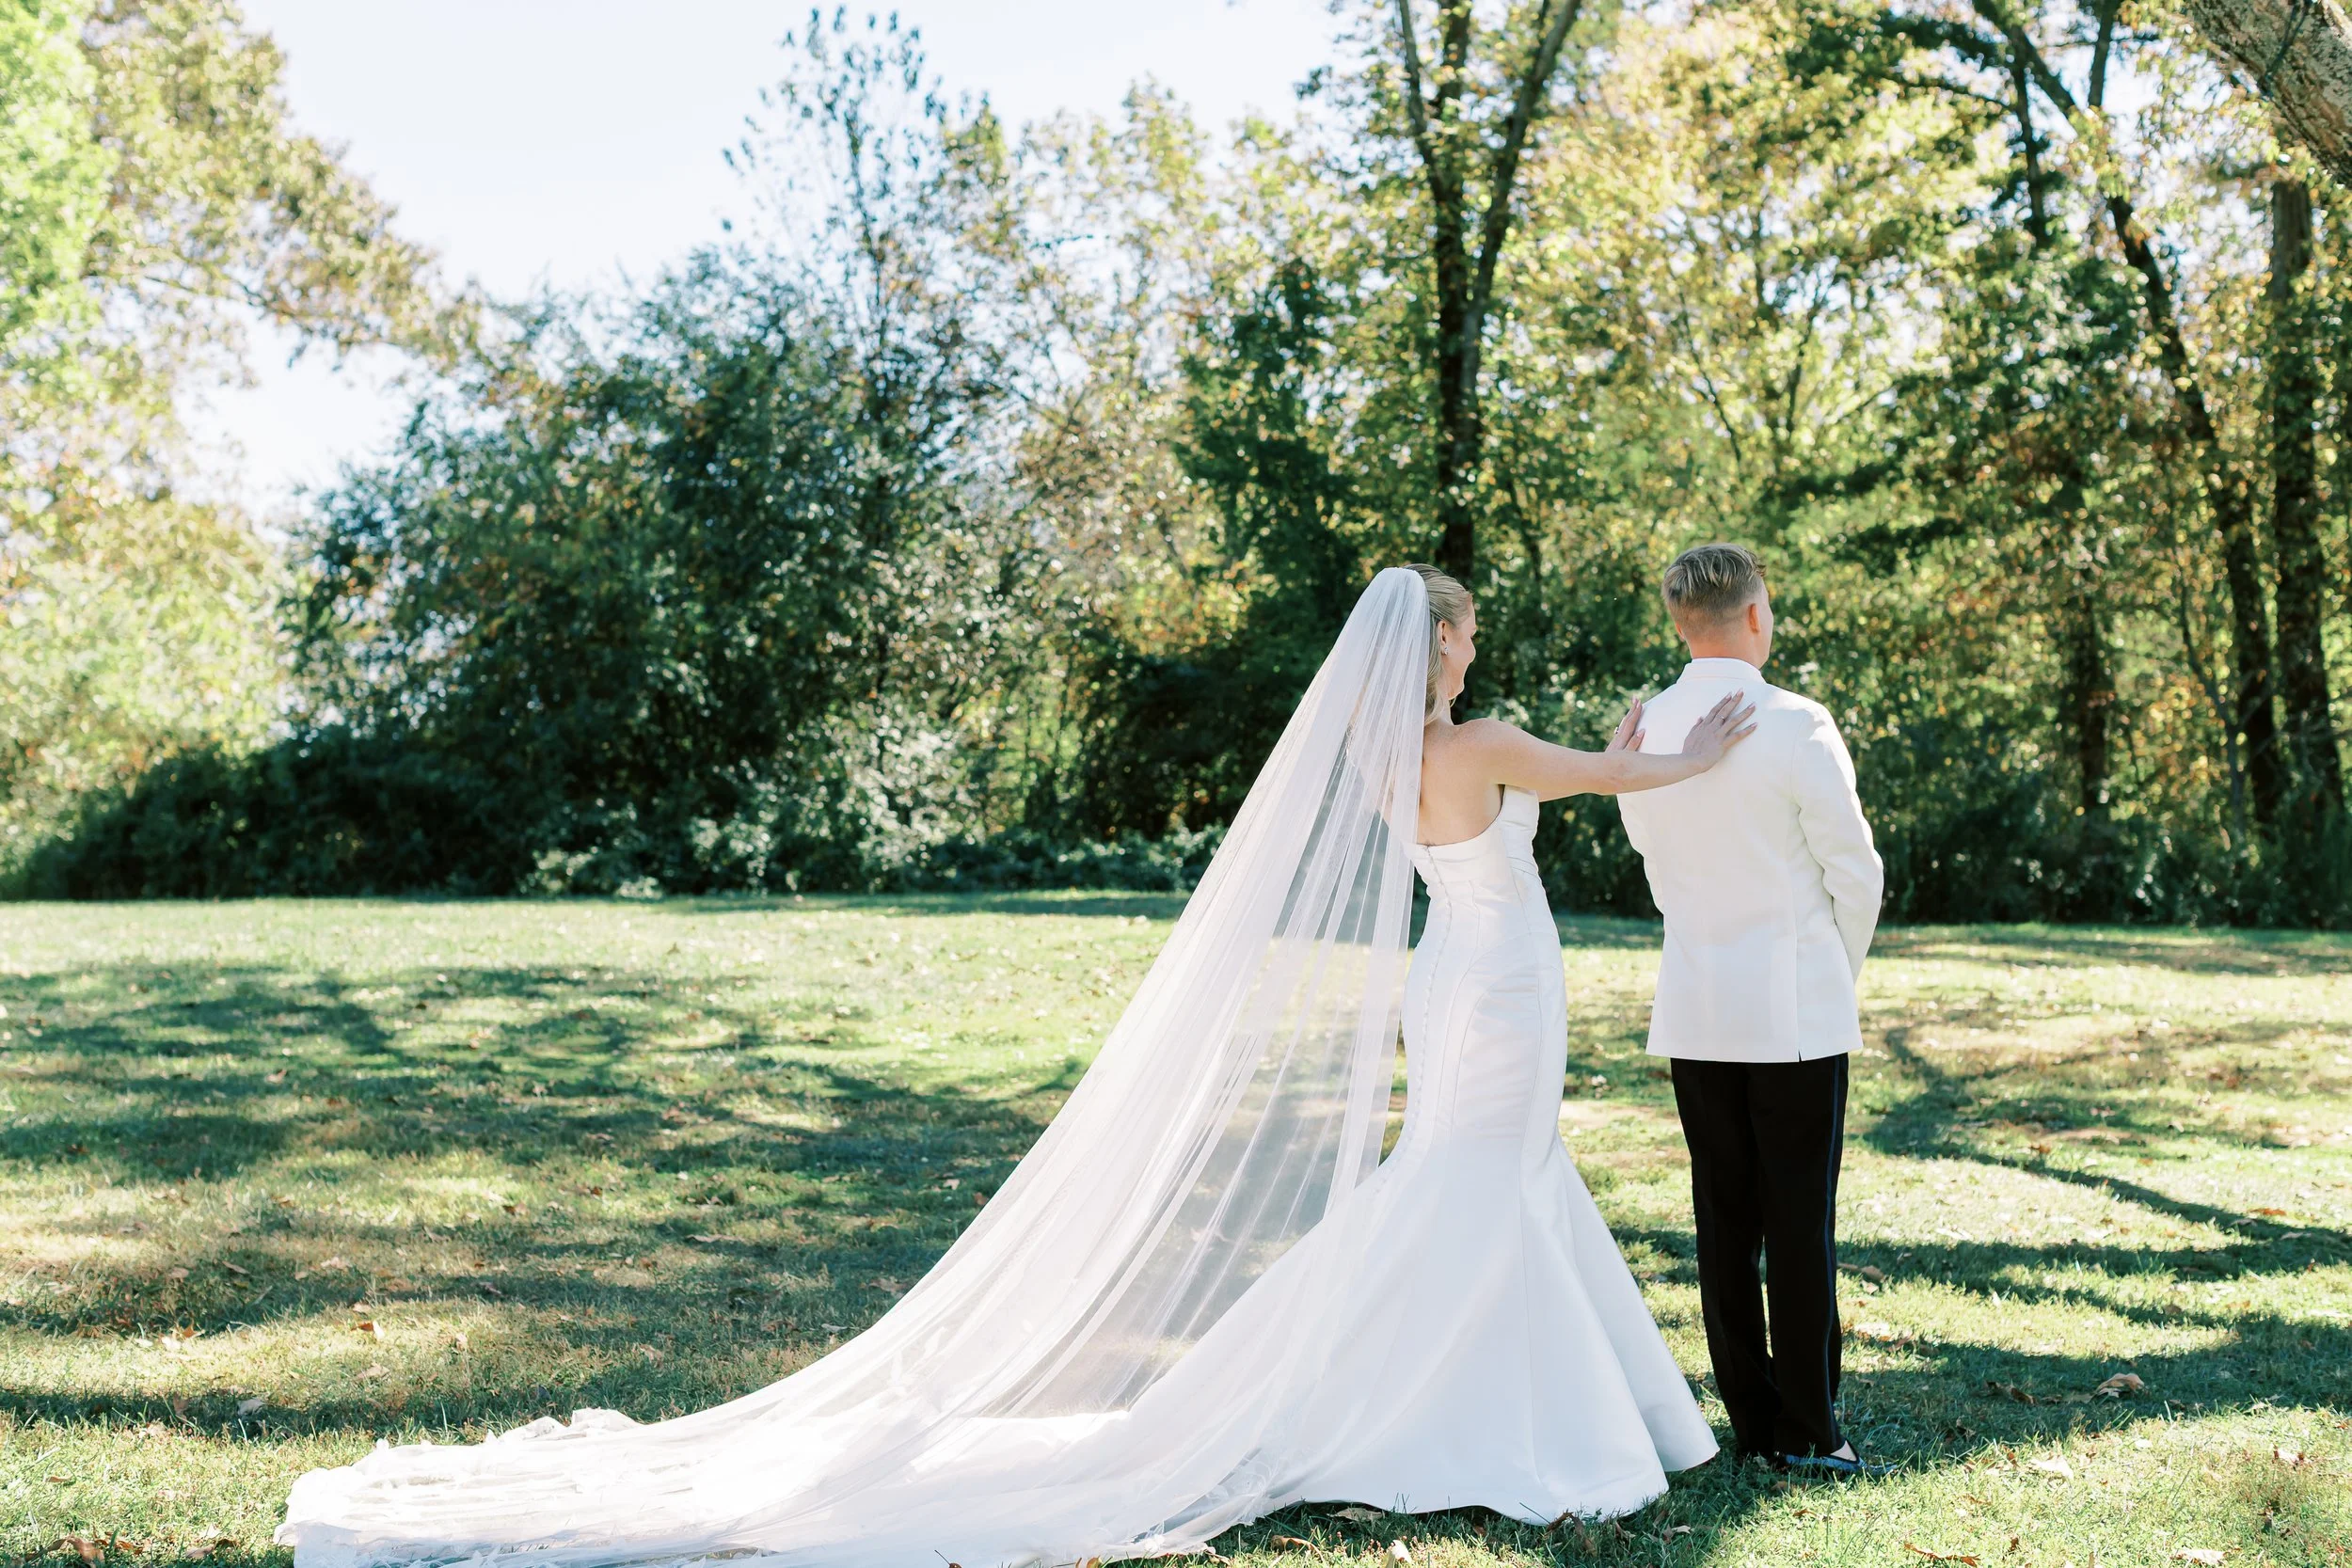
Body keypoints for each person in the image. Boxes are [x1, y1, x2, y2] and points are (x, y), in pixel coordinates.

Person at [278, 565, 1752, 1568]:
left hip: (1455, 980)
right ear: (1433, 644)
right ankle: (1474, 1411)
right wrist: (1686, 751)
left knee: (1469, 1174)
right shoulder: (1484, 738)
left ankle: (1435, 1387)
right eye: (1464, 630)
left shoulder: (1392, 756)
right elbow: (1602, 778)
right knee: (1481, 1179)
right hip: (1497, 980)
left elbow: (1550, 776)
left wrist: (1613, 749)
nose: (1473, 647)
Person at [1615, 542, 1885, 1477]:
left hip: (1696, 1003)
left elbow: (1652, 859)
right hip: (1793, 1011)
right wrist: (1830, 969)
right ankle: (1813, 1427)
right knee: (1798, 1220)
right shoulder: (1796, 720)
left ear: (1679, 621)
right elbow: (1854, 871)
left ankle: (1753, 1424)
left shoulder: (1646, 724)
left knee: (1724, 1220)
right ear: (1757, 615)